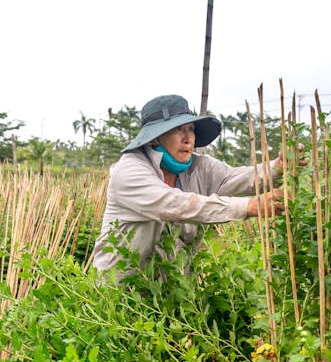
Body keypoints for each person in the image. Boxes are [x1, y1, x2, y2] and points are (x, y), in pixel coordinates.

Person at [91, 93, 291, 278]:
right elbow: (173, 205)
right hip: (119, 297)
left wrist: (277, 167)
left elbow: (236, 178)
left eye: (191, 129)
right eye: (177, 130)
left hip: (172, 297)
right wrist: (249, 206)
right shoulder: (130, 170)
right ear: (154, 138)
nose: (188, 139)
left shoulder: (199, 167)